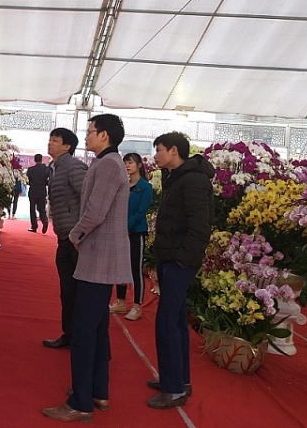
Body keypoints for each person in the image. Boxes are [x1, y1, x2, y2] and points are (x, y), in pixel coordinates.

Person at [42, 114, 132, 422]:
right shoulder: (108, 163)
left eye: (91, 131)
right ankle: (97, 392)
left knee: (83, 330)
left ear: (104, 135)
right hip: (99, 257)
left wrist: (74, 234)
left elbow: (94, 210)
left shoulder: (107, 165)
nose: (88, 136)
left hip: (98, 259)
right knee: (96, 329)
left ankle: (81, 402)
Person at [146, 132, 214, 410]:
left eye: (159, 150)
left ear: (174, 151)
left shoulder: (194, 180)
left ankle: (173, 389)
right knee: (174, 321)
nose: (156, 155)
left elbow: (200, 226)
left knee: (166, 322)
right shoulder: (174, 177)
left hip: (179, 260)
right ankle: (179, 380)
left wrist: (183, 260)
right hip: (170, 256)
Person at [42, 128, 88, 349]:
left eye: (55, 140)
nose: (50, 143)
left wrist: (79, 231)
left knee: (80, 291)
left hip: (76, 237)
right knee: (67, 288)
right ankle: (69, 335)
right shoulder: (56, 168)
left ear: (68, 146)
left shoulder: (74, 167)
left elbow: (87, 198)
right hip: (64, 236)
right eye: (50, 139)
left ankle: (83, 339)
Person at [109, 153, 153, 321]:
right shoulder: (124, 185)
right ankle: (120, 301)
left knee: (135, 268)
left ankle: (137, 305)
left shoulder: (145, 187)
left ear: (139, 165)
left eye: (130, 162)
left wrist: (126, 226)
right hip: (120, 232)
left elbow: (141, 212)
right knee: (120, 267)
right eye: (125, 163)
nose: (127, 165)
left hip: (136, 232)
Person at [26, 154, 50, 233]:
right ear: (41, 159)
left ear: (35, 160)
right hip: (42, 191)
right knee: (42, 208)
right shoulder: (46, 169)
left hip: (33, 191)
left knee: (32, 209)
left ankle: (34, 226)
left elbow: (28, 181)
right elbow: (48, 181)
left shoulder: (30, 170)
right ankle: (44, 220)